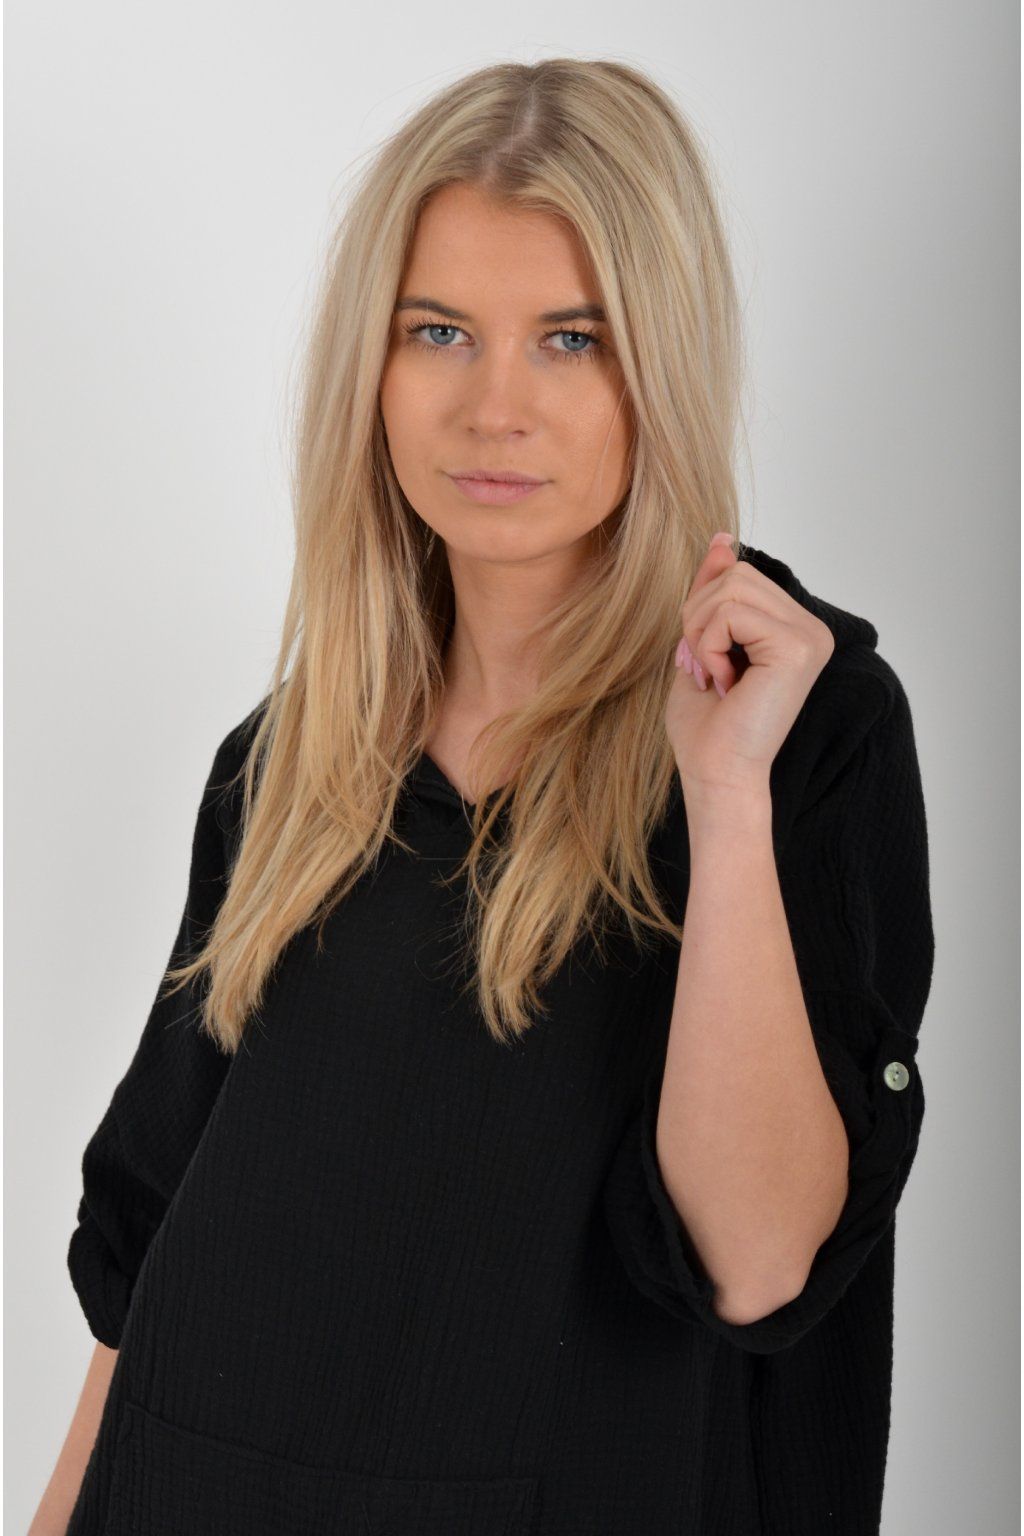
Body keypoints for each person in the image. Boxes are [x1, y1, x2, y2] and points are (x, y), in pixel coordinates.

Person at [40, 58, 933, 1536]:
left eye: (572, 339)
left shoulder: (797, 727)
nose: (492, 407)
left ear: (661, 364)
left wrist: (721, 797)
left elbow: (758, 1262)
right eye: (438, 331)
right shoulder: (290, 758)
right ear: (373, 368)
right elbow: (146, 1247)